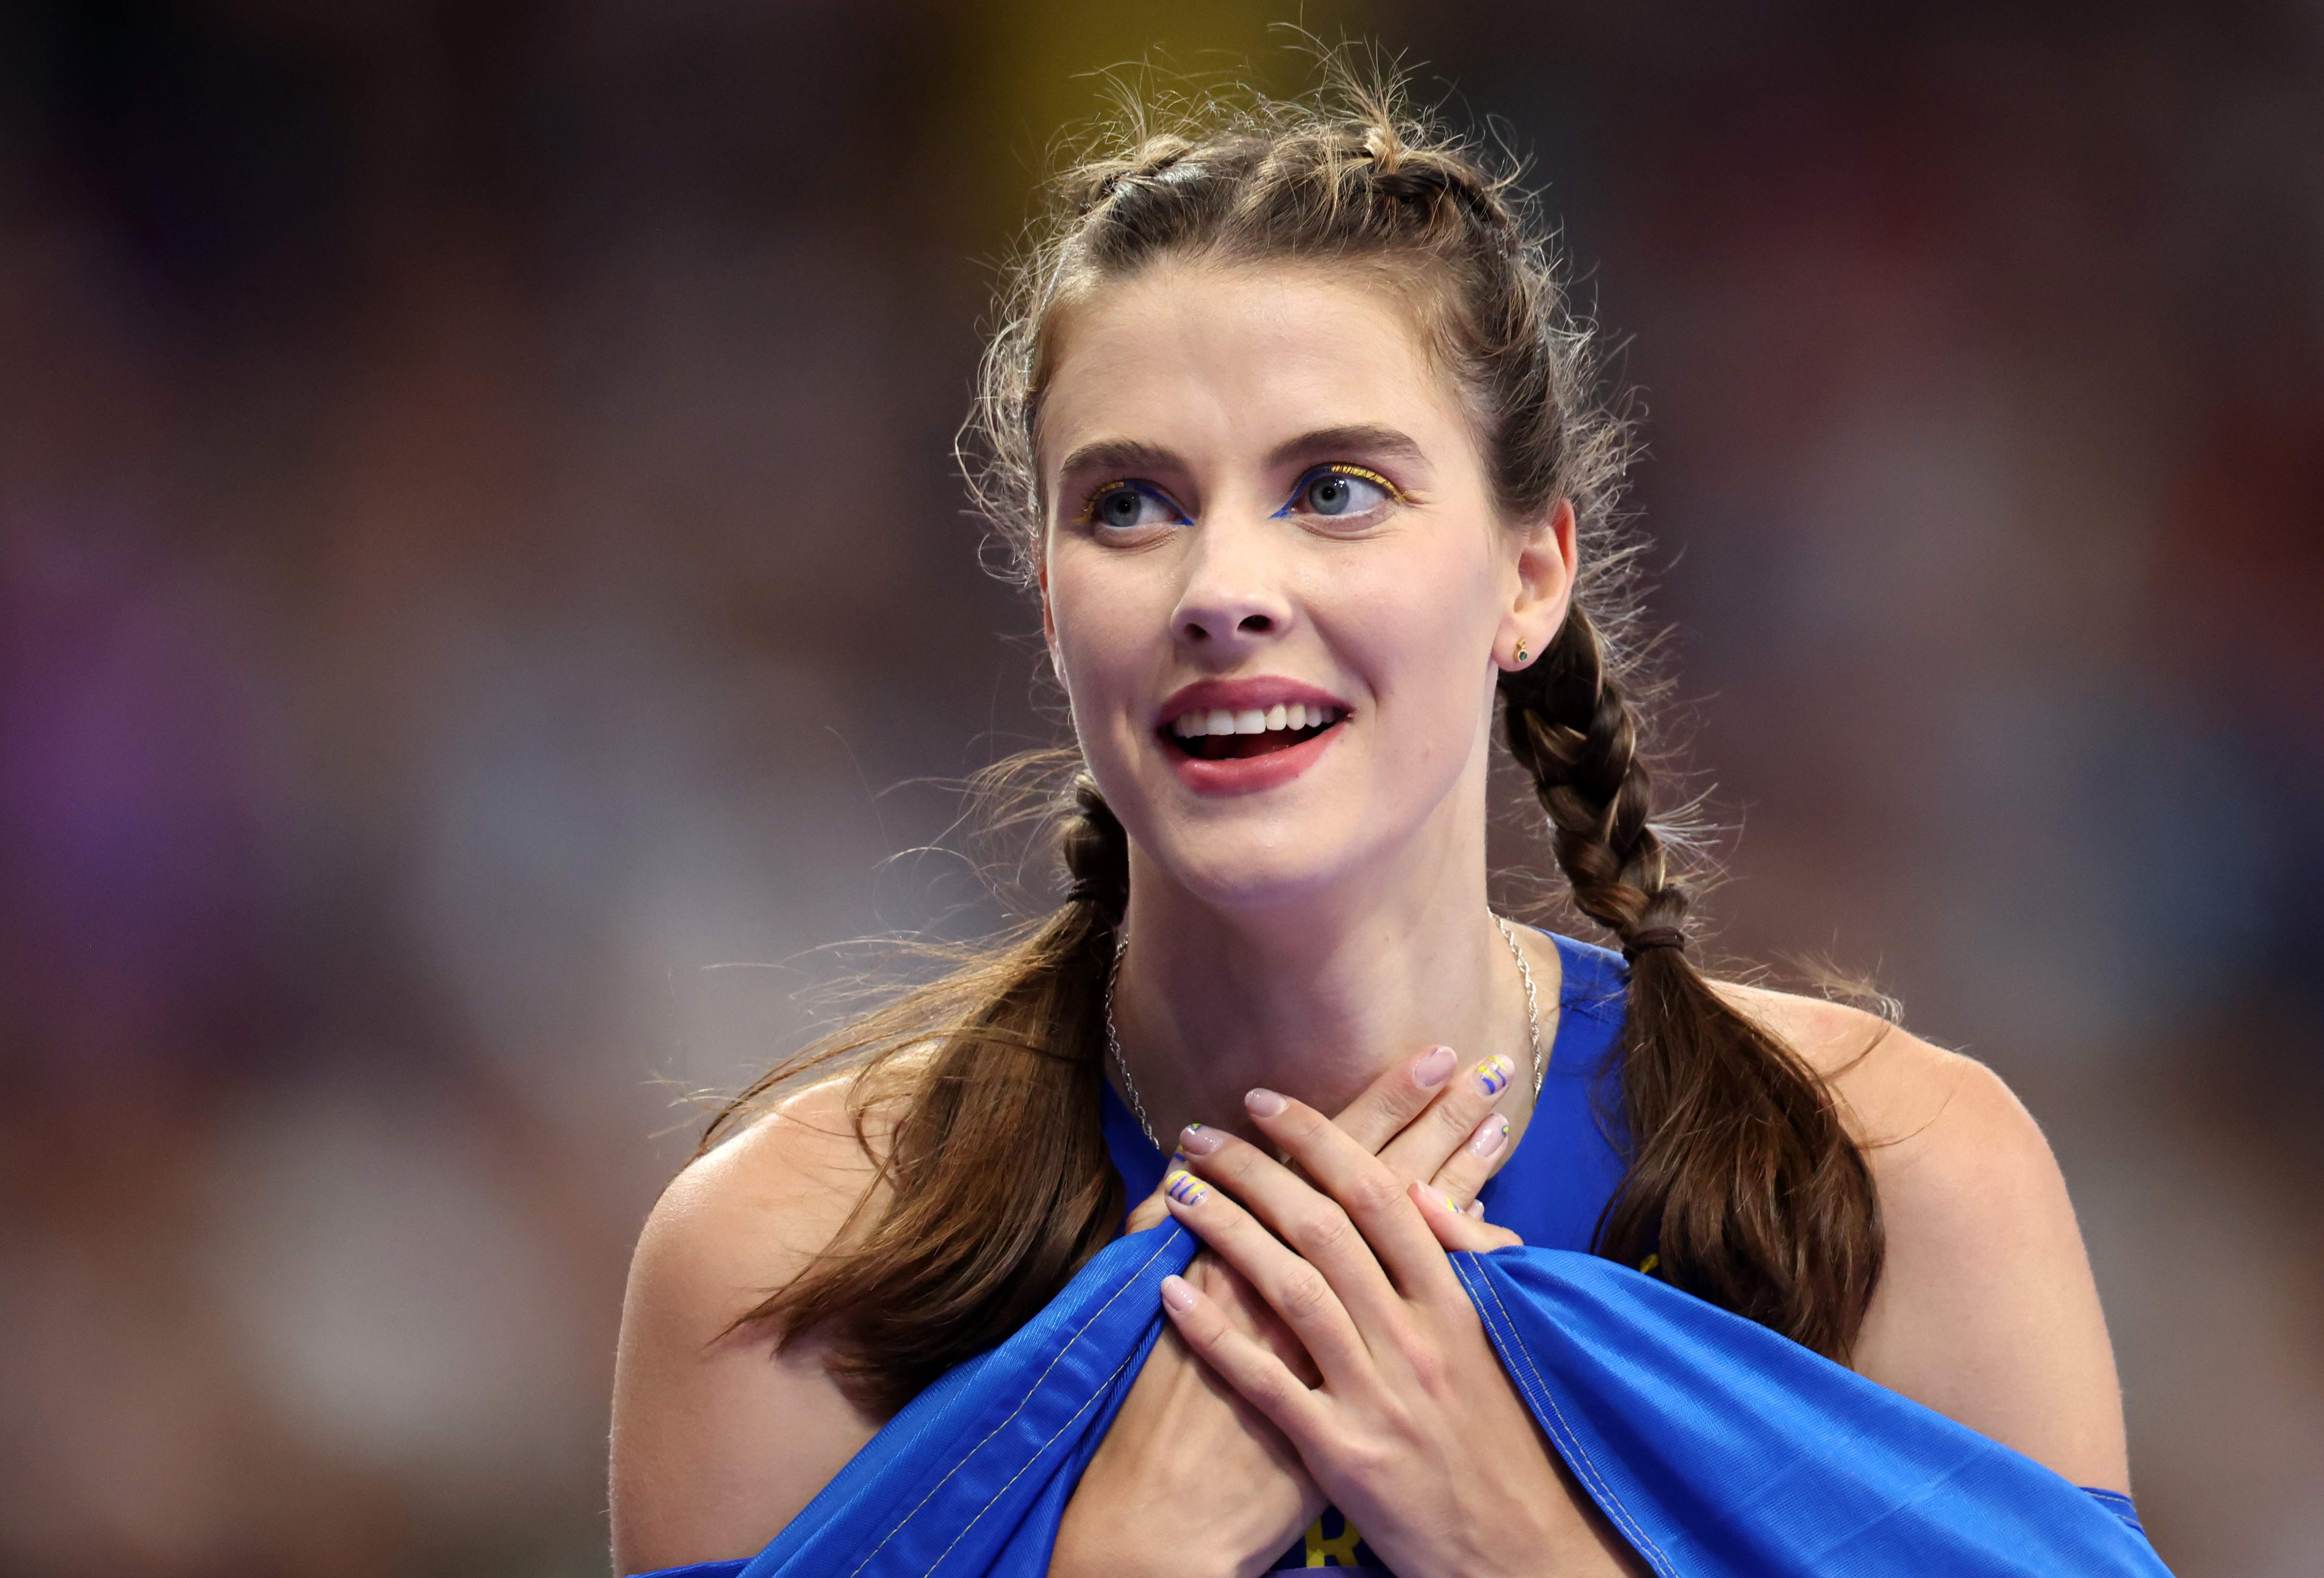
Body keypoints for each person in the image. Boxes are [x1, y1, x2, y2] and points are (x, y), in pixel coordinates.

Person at [608, 67, 2152, 1578]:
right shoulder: (783, 1271)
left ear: (1531, 574)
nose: (1222, 591)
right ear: (1048, 593)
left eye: (1336, 489)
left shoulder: (1894, 1183)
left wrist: (1517, 1543)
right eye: (1130, 503)